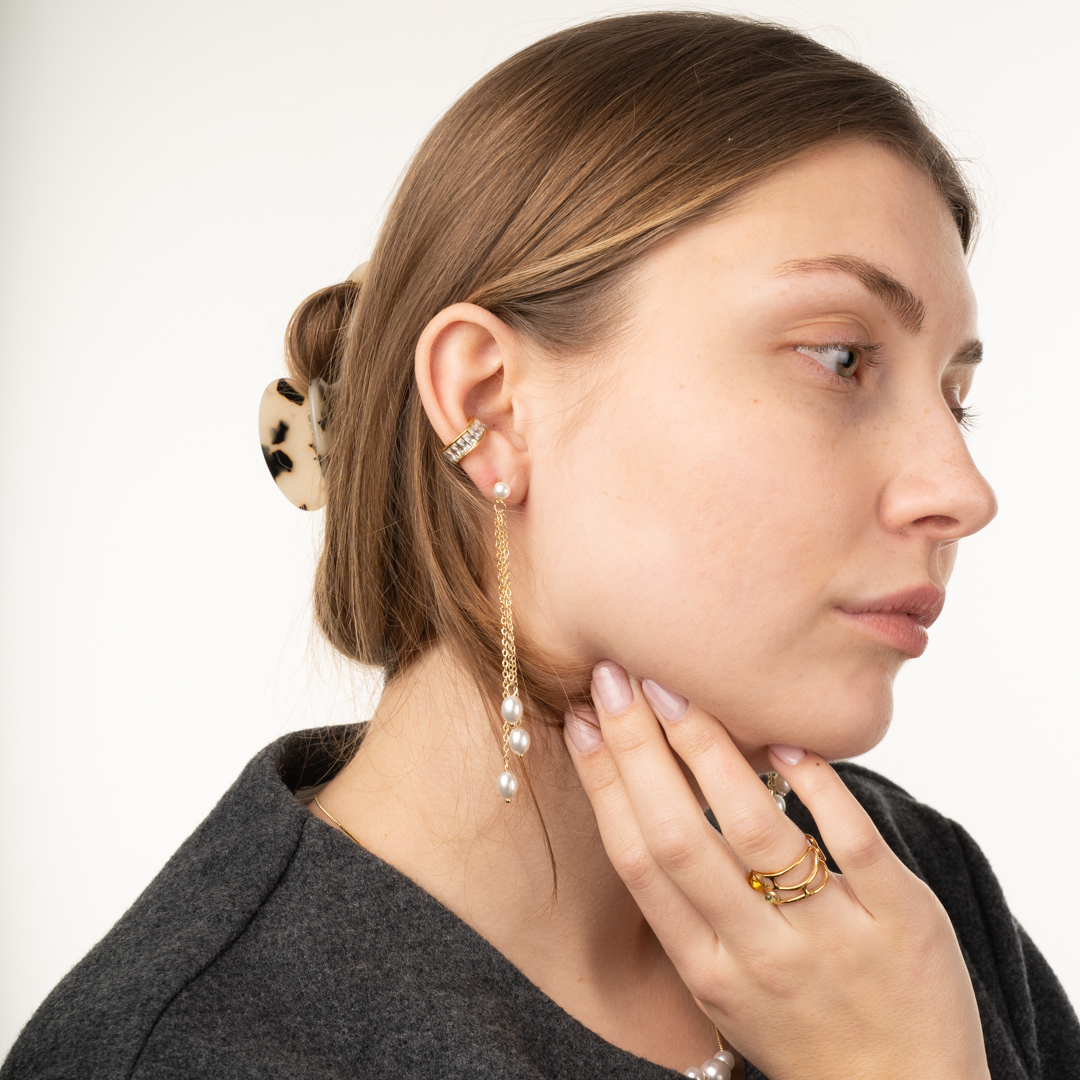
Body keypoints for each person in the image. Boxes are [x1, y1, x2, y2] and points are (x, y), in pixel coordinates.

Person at [3, 11, 1077, 1080]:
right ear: (491, 407)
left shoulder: (901, 907)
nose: (962, 492)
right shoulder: (183, 1055)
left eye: (956, 397)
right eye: (841, 357)